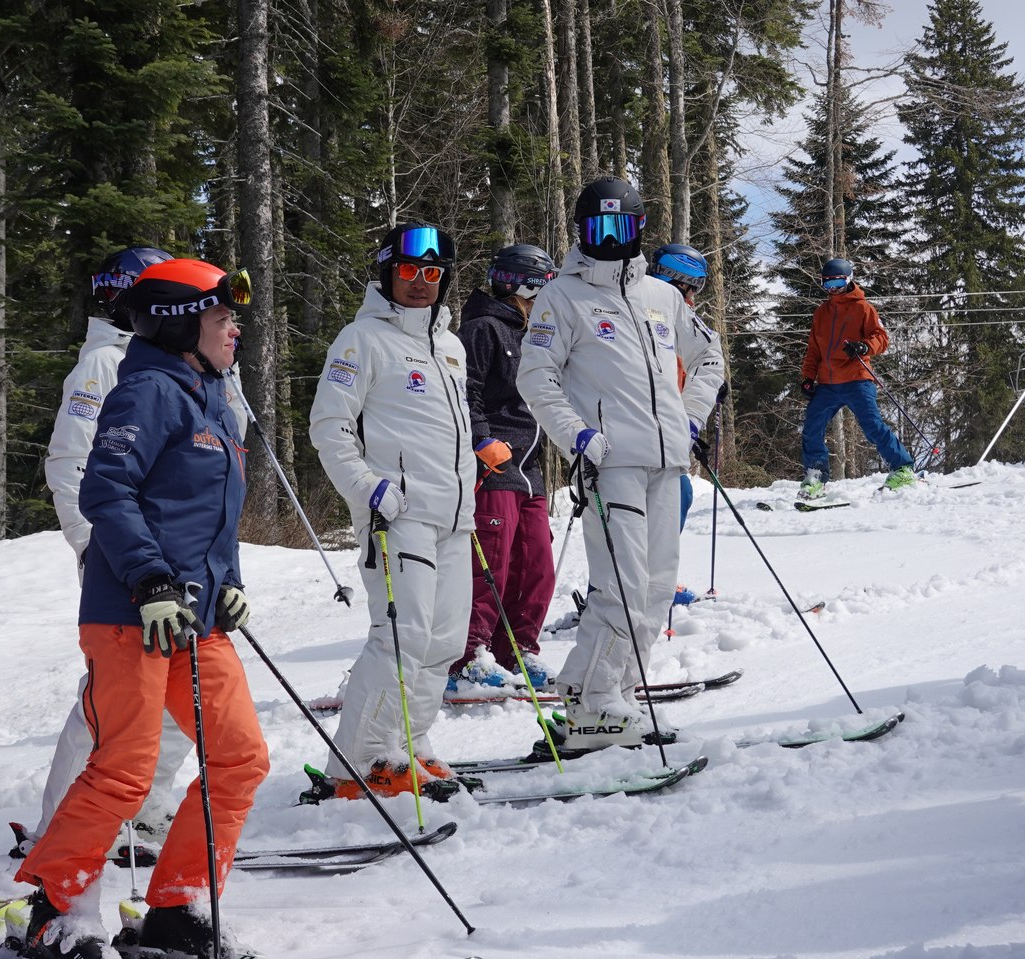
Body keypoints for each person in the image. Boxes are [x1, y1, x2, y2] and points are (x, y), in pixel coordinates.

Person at [12, 258, 269, 959]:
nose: (235, 330)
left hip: (193, 616)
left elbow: (210, 514)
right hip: (133, 611)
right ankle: (55, 916)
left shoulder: (213, 399)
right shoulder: (148, 390)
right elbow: (106, 489)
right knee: (124, 768)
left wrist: (229, 583)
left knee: (240, 757)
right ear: (182, 324)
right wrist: (150, 578)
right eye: (222, 317)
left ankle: (177, 910)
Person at [517, 178, 723, 751]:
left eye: (621, 227)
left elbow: (709, 356)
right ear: (581, 230)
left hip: (667, 461)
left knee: (655, 590)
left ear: (639, 230)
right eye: (598, 227)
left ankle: (611, 694)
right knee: (622, 585)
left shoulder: (662, 296)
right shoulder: (561, 297)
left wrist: (690, 418)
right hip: (610, 464)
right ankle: (596, 702)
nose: (610, 239)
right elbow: (535, 375)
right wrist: (578, 436)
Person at [24, 246, 194, 852]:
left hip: (172, 553)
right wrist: (92, 544)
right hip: (121, 554)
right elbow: (71, 462)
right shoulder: (103, 362)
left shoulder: (173, 361)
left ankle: (145, 803)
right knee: (115, 694)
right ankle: (63, 824)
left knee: (178, 685)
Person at [308, 222, 473, 796]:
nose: (421, 282)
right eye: (408, 270)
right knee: (402, 638)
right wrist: (366, 487)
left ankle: (406, 743)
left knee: (444, 643)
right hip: (397, 515)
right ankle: (359, 761)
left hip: (454, 517)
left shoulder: (450, 346)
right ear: (387, 273)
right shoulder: (362, 339)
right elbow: (328, 425)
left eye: (432, 272)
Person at [449, 243, 558, 694]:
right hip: (494, 465)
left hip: (529, 468)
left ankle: (517, 650)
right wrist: (481, 439)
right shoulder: (482, 328)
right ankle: (467, 658)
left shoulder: (533, 335)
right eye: (542, 291)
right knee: (490, 563)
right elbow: (464, 391)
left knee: (536, 565)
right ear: (524, 287)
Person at [647, 243, 728, 608]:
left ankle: (655, 579)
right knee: (650, 504)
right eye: (691, 288)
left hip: (668, 428)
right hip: (640, 431)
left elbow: (698, 362)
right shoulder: (653, 307)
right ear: (677, 281)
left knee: (678, 495)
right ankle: (626, 588)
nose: (693, 297)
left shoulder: (676, 314)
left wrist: (698, 402)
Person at [797, 258, 914, 499]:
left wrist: (863, 346)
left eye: (838, 283)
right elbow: (814, 350)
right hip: (828, 384)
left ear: (849, 281)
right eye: (827, 284)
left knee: (872, 425)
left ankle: (902, 468)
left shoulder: (863, 308)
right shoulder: (821, 313)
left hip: (856, 378)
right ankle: (815, 476)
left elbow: (881, 337)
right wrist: (808, 377)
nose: (833, 289)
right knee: (811, 427)